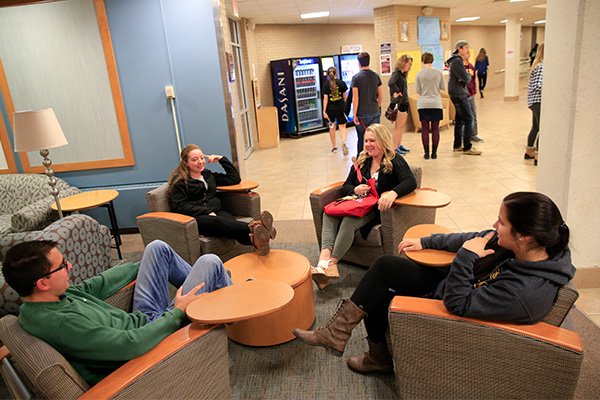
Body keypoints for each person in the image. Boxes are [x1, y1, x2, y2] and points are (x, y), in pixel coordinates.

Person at [294, 191, 574, 374]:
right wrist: (426, 241)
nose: (495, 225)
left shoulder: (526, 295)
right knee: (385, 266)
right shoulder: (525, 246)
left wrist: (465, 257)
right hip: (452, 284)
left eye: (501, 222)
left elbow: (458, 304)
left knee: (377, 296)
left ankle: (376, 357)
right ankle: (338, 332)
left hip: (453, 312)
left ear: (524, 235)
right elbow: (473, 237)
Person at [1, 239, 233, 385]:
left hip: (142, 320)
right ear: (42, 283)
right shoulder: (61, 323)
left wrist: (141, 266)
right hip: (149, 345)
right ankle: (236, 306)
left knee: (157, 249)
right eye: (62, 265)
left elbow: (97, 284)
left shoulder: (52, 296)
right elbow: (131, 345)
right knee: (210, 262)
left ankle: (217, 288)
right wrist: (177, 312)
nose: (69, 267)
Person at [312, 123, 416, 289]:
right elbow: (346, 185)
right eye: (366, 140)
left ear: (382, 141)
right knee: (329, 213)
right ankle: (323, 261)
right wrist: (355, 188)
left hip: (374, 209)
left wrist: (392, 193)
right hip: (357, 203)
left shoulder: (394, 160)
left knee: (348, 220)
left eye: (372, 140)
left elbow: (410, 181)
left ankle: (331, 264)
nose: (368, 144)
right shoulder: (363, 160)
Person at [168, 144, 275, 255]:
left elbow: (234, 179)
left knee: (230, 223)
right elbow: (179, 206)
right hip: (197, 217)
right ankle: (256, 227)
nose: (200, 162)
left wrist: (221, 159)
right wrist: (207, 212)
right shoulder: (180, 182)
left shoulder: (207, 175)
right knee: (219, 222)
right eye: (195, 159)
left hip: (217, 212)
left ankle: (256, 241)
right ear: (185, 162)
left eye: (202, 158)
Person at [446, 40, 482, 156]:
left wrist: (464, 76)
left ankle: (457, 145)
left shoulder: (455, 61)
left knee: (460, 120)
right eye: (466, 48)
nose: (468, 50)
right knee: (469, 119)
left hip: (457, 92)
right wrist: (466, 75)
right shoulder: (457, 61)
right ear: (459, 49)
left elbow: (464, 77)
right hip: (459, 94)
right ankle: (467, 146)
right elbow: (467, 78)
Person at [351, 52, 383, 155]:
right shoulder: (376, 76)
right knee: (375, 138)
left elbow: (355, 98)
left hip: (361, 114)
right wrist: (376, 107)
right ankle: (376, 157)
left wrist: (354, 114)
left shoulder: (356, 78)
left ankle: (362, 160)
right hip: (374, 112)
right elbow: (381, 96)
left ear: (359, 63)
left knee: (362, 138)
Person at [415, 52, 445, 160]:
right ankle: (435, 153)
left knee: (425, 129)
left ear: (422, 61)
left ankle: (426, 153)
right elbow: (443, 87)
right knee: (435, 129)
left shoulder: (419, 74)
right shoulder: (438, 73)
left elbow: (418, 90)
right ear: (432, 61)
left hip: (423, 104)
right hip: (436, 103)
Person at [386, 55, 413, 155]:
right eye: (408, 63)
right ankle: (394, 147)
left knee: (401, 126)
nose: (409, 66)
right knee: (398, 126)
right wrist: (398, 92)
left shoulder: (402, 75)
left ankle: (399, 144)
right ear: (403, 62)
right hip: (400, 102)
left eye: (410, 64)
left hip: (405, 102)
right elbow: (390, 83)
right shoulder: (396, 73)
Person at [322, 66, 349, 155]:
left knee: (332, 127)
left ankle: (334, 147)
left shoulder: (326, 85)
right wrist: (346, 108)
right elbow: (345, 97)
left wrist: (324, 111)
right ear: (336, 73)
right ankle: (344, 142)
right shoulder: (342, 83)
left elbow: (325, 99)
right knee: (342, 126)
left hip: (330, 109)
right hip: (340, 107)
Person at [526, 43, 544, 163]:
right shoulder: (541, 66)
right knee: (543, 128)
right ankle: (538, 156)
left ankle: (529, 152)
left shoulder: (537, 65)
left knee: (536, 127)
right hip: (538, 101)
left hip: (534, 101)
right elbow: (539, 86)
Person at [464, 58, 484, 142]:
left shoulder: (471, 66)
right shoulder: (460, 67)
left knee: (474, 115)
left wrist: (474, 90)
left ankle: (474, 134)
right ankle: (464, 135)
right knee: (465, 117)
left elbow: (473, 80)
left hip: (471, 94)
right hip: (464, 95)